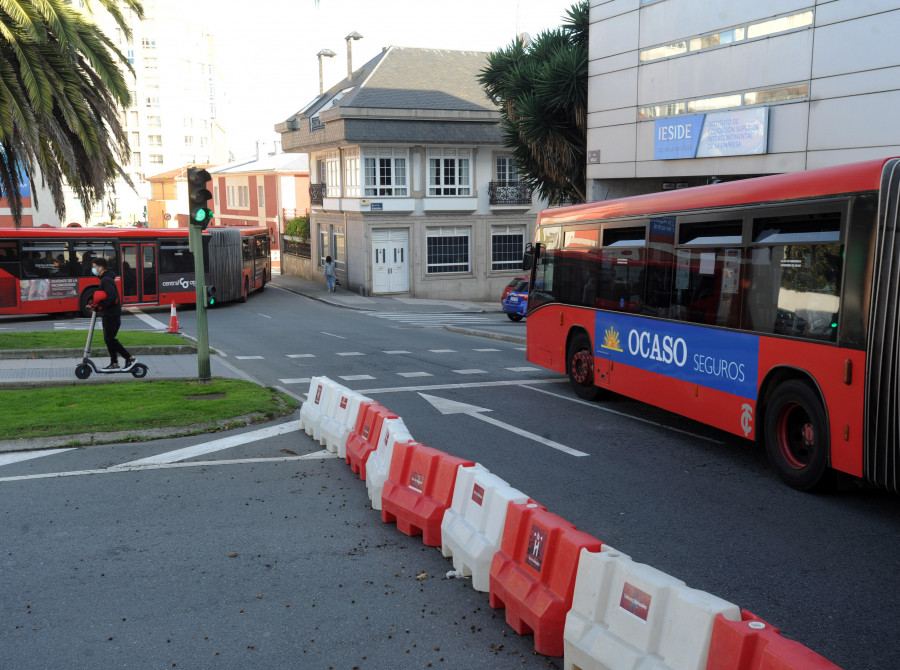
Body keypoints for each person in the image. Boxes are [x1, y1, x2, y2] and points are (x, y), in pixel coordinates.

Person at [91, 257, 134, 370]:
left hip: (111, 314)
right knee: (108, 339)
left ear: (100, 267)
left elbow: (112, 296)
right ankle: (114, 363)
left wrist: (101, 305)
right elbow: (105, 295)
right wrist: (96, 304)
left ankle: (129, 358)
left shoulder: (106, 280)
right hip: (109, 313)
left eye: (94, 267)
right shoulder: (106, 279)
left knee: (110, 339)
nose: (93, 269)